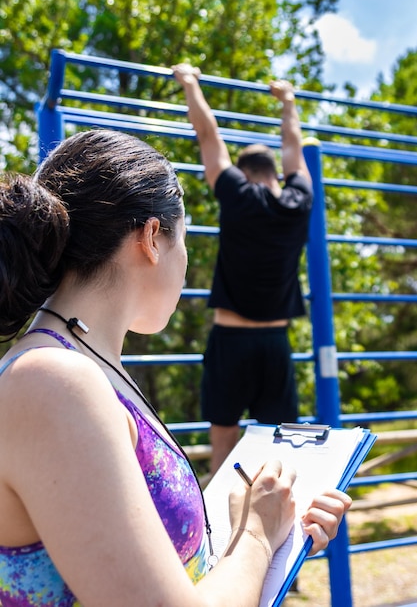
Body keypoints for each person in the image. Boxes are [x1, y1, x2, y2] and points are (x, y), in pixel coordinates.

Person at [0, 129, 350, 607]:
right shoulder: (53, 382)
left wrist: (266, 535)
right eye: (183, 238)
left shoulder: (84, 366)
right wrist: (257, 534)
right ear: (151, 238)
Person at [173, 64, 313, 476]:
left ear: (244, 171)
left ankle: (217, 534)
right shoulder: (300, 201)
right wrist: (288, 102)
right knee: (278, 446)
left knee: (223, 442)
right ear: (276, 174)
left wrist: (191, 82)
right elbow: (293, 146)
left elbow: (208, 135)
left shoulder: (237, 195)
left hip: (231, 341)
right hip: (275, 343)